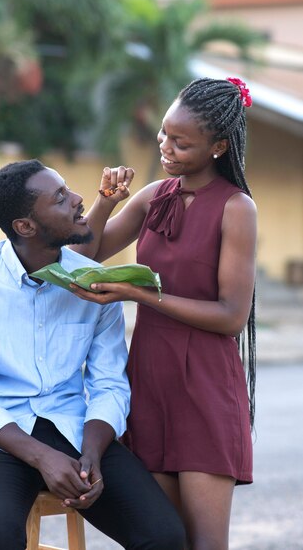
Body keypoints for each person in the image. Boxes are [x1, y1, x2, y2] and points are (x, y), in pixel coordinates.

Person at [0, 159, 185, 550]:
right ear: (25, 226)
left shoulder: (97, 286)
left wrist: (92, 455)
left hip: (75, 433)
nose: (79, 199)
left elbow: (109, 384)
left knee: (164, 536)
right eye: (60, 198)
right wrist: (42, 458)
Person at [70, 77, 257, 550]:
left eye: (181, 142)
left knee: (204, 544)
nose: (166, 148)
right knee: (161, 539)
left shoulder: (237, 209)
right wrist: (105, 201)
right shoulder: (155, 195)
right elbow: (87, 254)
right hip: (150, 380)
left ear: (218, 146)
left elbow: (233, 315)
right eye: (163, 134)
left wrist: (141, 296)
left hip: (206, 387)